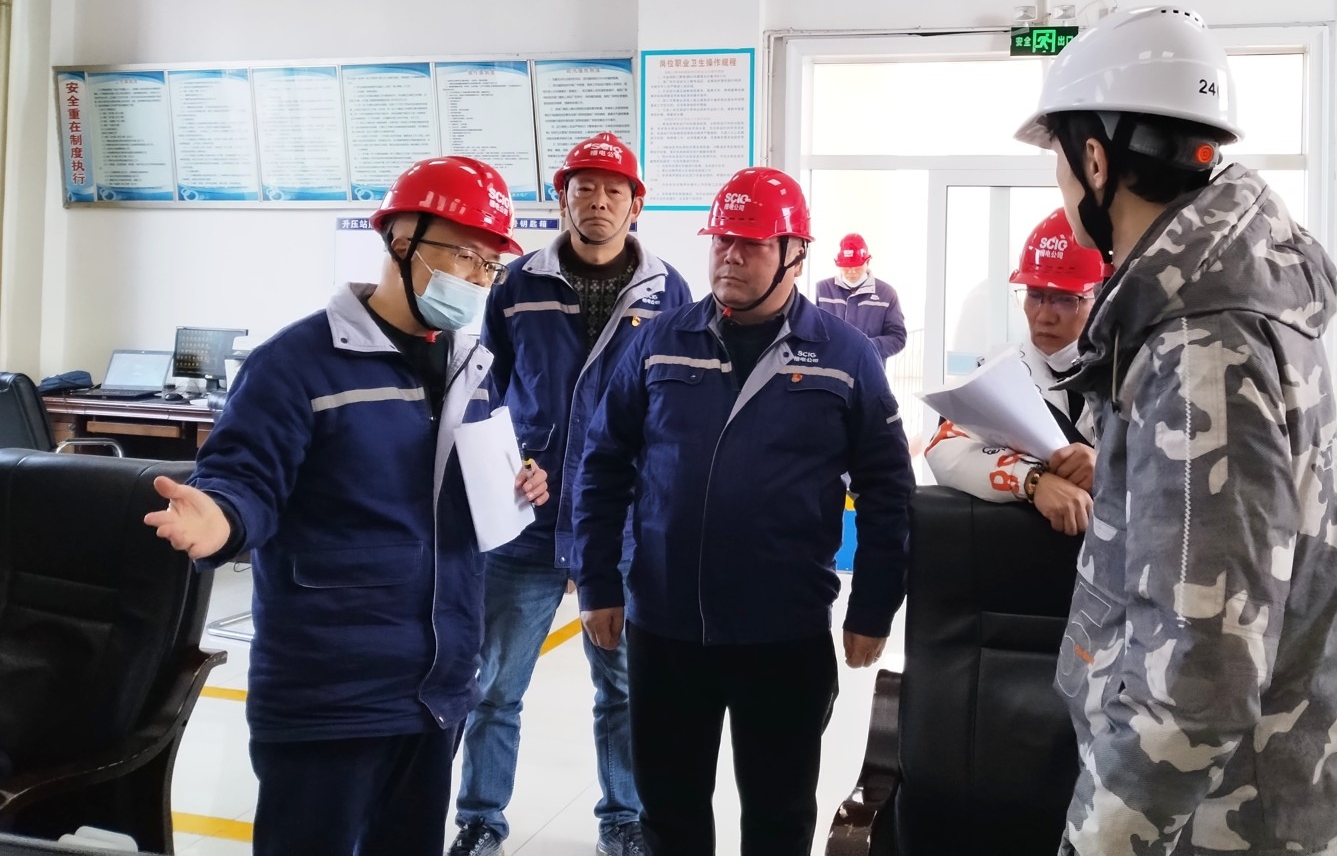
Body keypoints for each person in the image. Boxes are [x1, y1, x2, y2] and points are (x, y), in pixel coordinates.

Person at [1015, 5, 1337, 856]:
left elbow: (1200, 681)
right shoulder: (1218, 300)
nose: (1061, 186)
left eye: (1060, 161)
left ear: (1096, 162)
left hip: (1216, 821)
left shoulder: (1203, 346)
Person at [143, 156, 549, 856]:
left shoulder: (470, 364)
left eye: (489, 264)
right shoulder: (295, 363)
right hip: (331, 693)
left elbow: (453, 481)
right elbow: (245, 477)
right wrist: (222, 516)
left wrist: (517, 481)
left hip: (437, 689)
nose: (477, 277)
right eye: (463, 254)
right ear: (401, 240)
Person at [570, 167, 914, 856]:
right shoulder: (661, 340)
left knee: (778, 815)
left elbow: (887, 489)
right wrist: (599, 582)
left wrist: (873, 608)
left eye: (750, 243)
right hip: (665, 625)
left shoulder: (845, 356)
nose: (729, 255)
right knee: (668, 812)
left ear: (794, 254)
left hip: (782, 632)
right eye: (722, 240)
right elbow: (602, 464)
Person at [450, 133, 689, 856]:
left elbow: (675, 406)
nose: (598, 201)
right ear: (562, 198)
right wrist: (509, 461)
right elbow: (485, 390)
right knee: (496, 685)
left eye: (614, 190)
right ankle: (480, 819)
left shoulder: (668, 293)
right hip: (526, 519)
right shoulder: (518, 283)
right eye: (584, 188)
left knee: (624, 689)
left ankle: (624, 820)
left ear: (637, 204)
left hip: (618, 528)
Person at [924, 209, 1102, 535]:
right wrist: (1032, 480)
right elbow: (943, 450)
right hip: (1018, 552)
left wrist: (1106, 466)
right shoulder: (995, 373)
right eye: (1034, 295)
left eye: (1065, 300)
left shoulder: (1133, 376)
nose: (1044, 316)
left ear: (1099, 297)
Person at [814, 233, 907, 361]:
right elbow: (810, 329)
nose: (852, 271)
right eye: (846, 266)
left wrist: (865, 347)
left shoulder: (887, 294)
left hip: (868, 368)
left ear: (867, 262)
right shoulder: (822, 289)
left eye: (857, 266)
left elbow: (898, 338)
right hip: (829, 367)